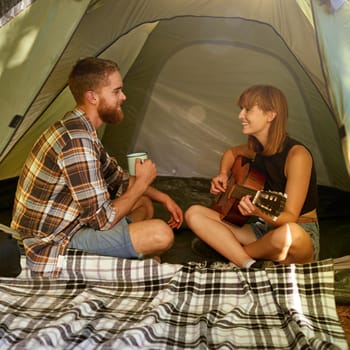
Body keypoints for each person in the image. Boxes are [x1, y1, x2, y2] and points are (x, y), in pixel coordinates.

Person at [11, 57, 183, 276]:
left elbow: (118, 179)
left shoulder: (83, 129)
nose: (123, 97)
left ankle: (127, 253)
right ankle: (125, 256)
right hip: (53, 239)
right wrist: (141, 182)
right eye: (116, 91)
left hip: (73, 222)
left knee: (145, 203)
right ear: (92, 97)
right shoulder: (77, 141)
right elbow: (103, 220)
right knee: (161, 234)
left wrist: (163, 198)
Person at [185, 85, 319, 268]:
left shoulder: (297, 155)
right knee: (194, 213)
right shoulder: (257, 150)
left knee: (289, 233)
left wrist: (257, 211)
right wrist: (223, 174)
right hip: (264, 230)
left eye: (248, 110)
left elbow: (289, 217)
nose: (240, 116)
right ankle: (249, 264)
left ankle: (231, 254)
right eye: (241, 109)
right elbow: (231, 153)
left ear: (271, 115)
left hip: (299, 233)